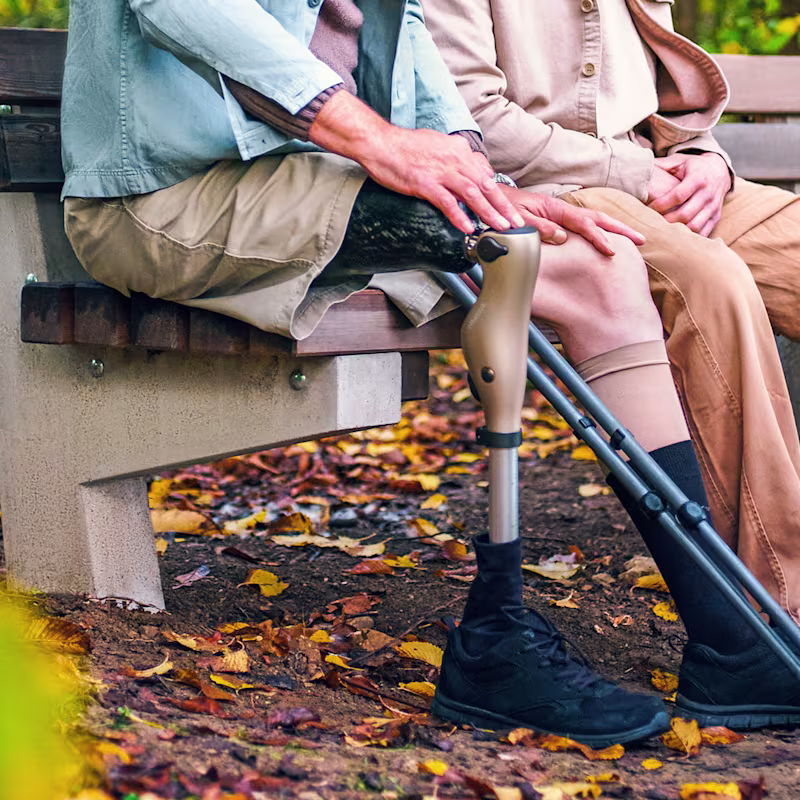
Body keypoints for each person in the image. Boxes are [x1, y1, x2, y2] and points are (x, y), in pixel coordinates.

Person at [60, 0, 731, 745]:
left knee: (599, 267)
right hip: (164, 195)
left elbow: (405, 32)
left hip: (308, 177)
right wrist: (377, 139)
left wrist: (465, 161)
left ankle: (732, 646)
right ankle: (496, 645)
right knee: (523, 249)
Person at [420, 0, 800, 729]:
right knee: (710, 283)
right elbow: (474, 120)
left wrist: (704, 161)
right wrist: (637, 174)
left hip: (658, 182)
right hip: (554, 190)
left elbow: (668, 103)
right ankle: (774, 625)